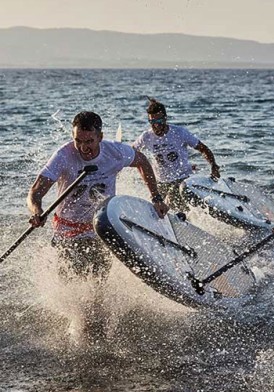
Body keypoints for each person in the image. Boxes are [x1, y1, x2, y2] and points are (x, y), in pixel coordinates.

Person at [27, 111, 169, 339]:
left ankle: (95, 331)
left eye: (89, 141)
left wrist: (157, 198)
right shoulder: (63, 156)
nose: (83, 148)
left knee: (96, 283)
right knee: (73, 286)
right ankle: (82, 329)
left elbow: (142, 161)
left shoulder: (114, 151)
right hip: (67, 232)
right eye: (78, 141)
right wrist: (36, 211)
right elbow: (35, 192)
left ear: (100, 137)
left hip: (98, 230)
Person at [133, 98, 220, 211]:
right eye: (152, 122)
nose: (156, 126)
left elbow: (203, 148)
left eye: (159, 121)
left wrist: (213, 165)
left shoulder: (179, 132)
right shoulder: (146, 137)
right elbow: (131, 152)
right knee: (157, 209)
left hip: (181, 179)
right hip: (160, 182)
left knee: (172, 203)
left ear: (165, 118)